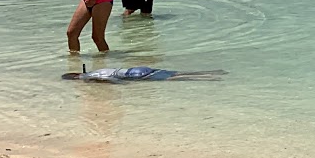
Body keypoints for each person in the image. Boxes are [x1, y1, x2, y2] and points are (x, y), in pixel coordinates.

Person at [62, 65, 225, 83]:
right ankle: (212, 71)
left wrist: (123, 84)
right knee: (176, 73)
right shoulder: (94, 70)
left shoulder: (90, 76)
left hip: (135, 76)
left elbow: (109, 78)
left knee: (175, 78)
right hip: (135, 69)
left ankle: (210, 78)